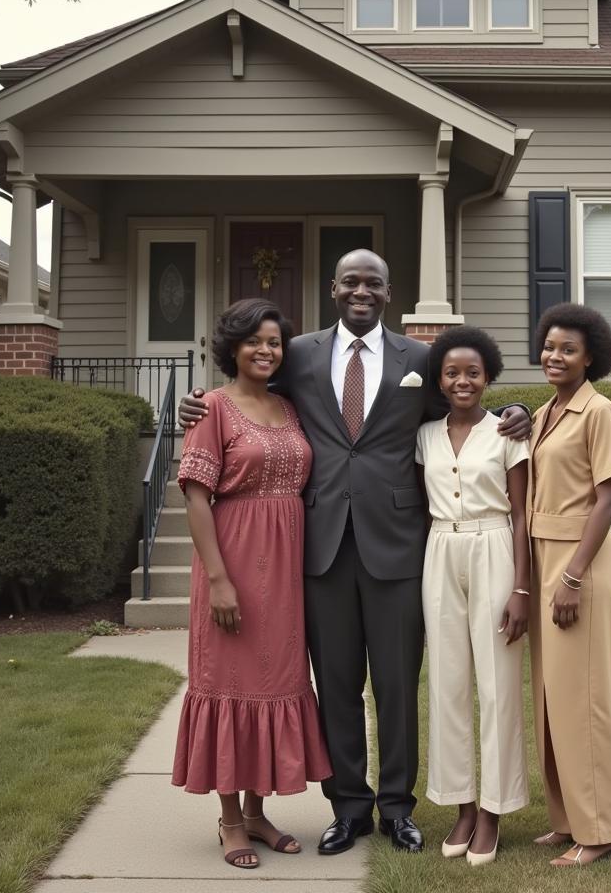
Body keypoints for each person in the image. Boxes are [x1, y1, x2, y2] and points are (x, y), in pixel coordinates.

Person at [179, 250, 531, 856]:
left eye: (373, 283)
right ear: (333, 288)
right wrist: (196, 403)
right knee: (336, 684)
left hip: (397, 547)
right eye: (351, 281)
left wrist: (515, 413)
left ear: (388, 293)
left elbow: (462, 407)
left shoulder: (421, 360)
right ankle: (348, 807)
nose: (361, 291)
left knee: (397, 685)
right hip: (316, 550)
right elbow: (247, 390)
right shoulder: (300, 355)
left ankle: (397, 808)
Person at [173, 298, 331, 870]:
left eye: (274, 342)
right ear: (232, 349)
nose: (266, 351)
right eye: (254, 342)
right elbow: (195, 495)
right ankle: (230, 820)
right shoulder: (211, 409)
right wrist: (218, 580)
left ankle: (260, 812)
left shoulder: (290, 408)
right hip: (233, 560)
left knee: (275, 682)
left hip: (285, 573)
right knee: (231, 683)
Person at [416, 326, 530, 866]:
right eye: (453, 373)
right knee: (448, 683)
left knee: (499, 684)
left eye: (473, 372)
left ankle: (494, 810)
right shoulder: (425, 436)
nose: (463, 381)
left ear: (488, 377)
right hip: (441, 551)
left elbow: (523, 514)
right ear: (439, 380)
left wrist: (522, 587)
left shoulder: (510, 432)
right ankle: (462, 806)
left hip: (495, 549)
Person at [526, 302, 611, 868]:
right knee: (552, 697)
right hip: (545, 555)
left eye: (568, 348)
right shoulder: (548, 412)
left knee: (586, 696)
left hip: (579, 561)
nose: (555, 355)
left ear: (591, 355)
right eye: (549, 345)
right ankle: (569, 817)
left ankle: (604, 828)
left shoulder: (599, 411)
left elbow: (607, 497)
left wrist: (571, 576)